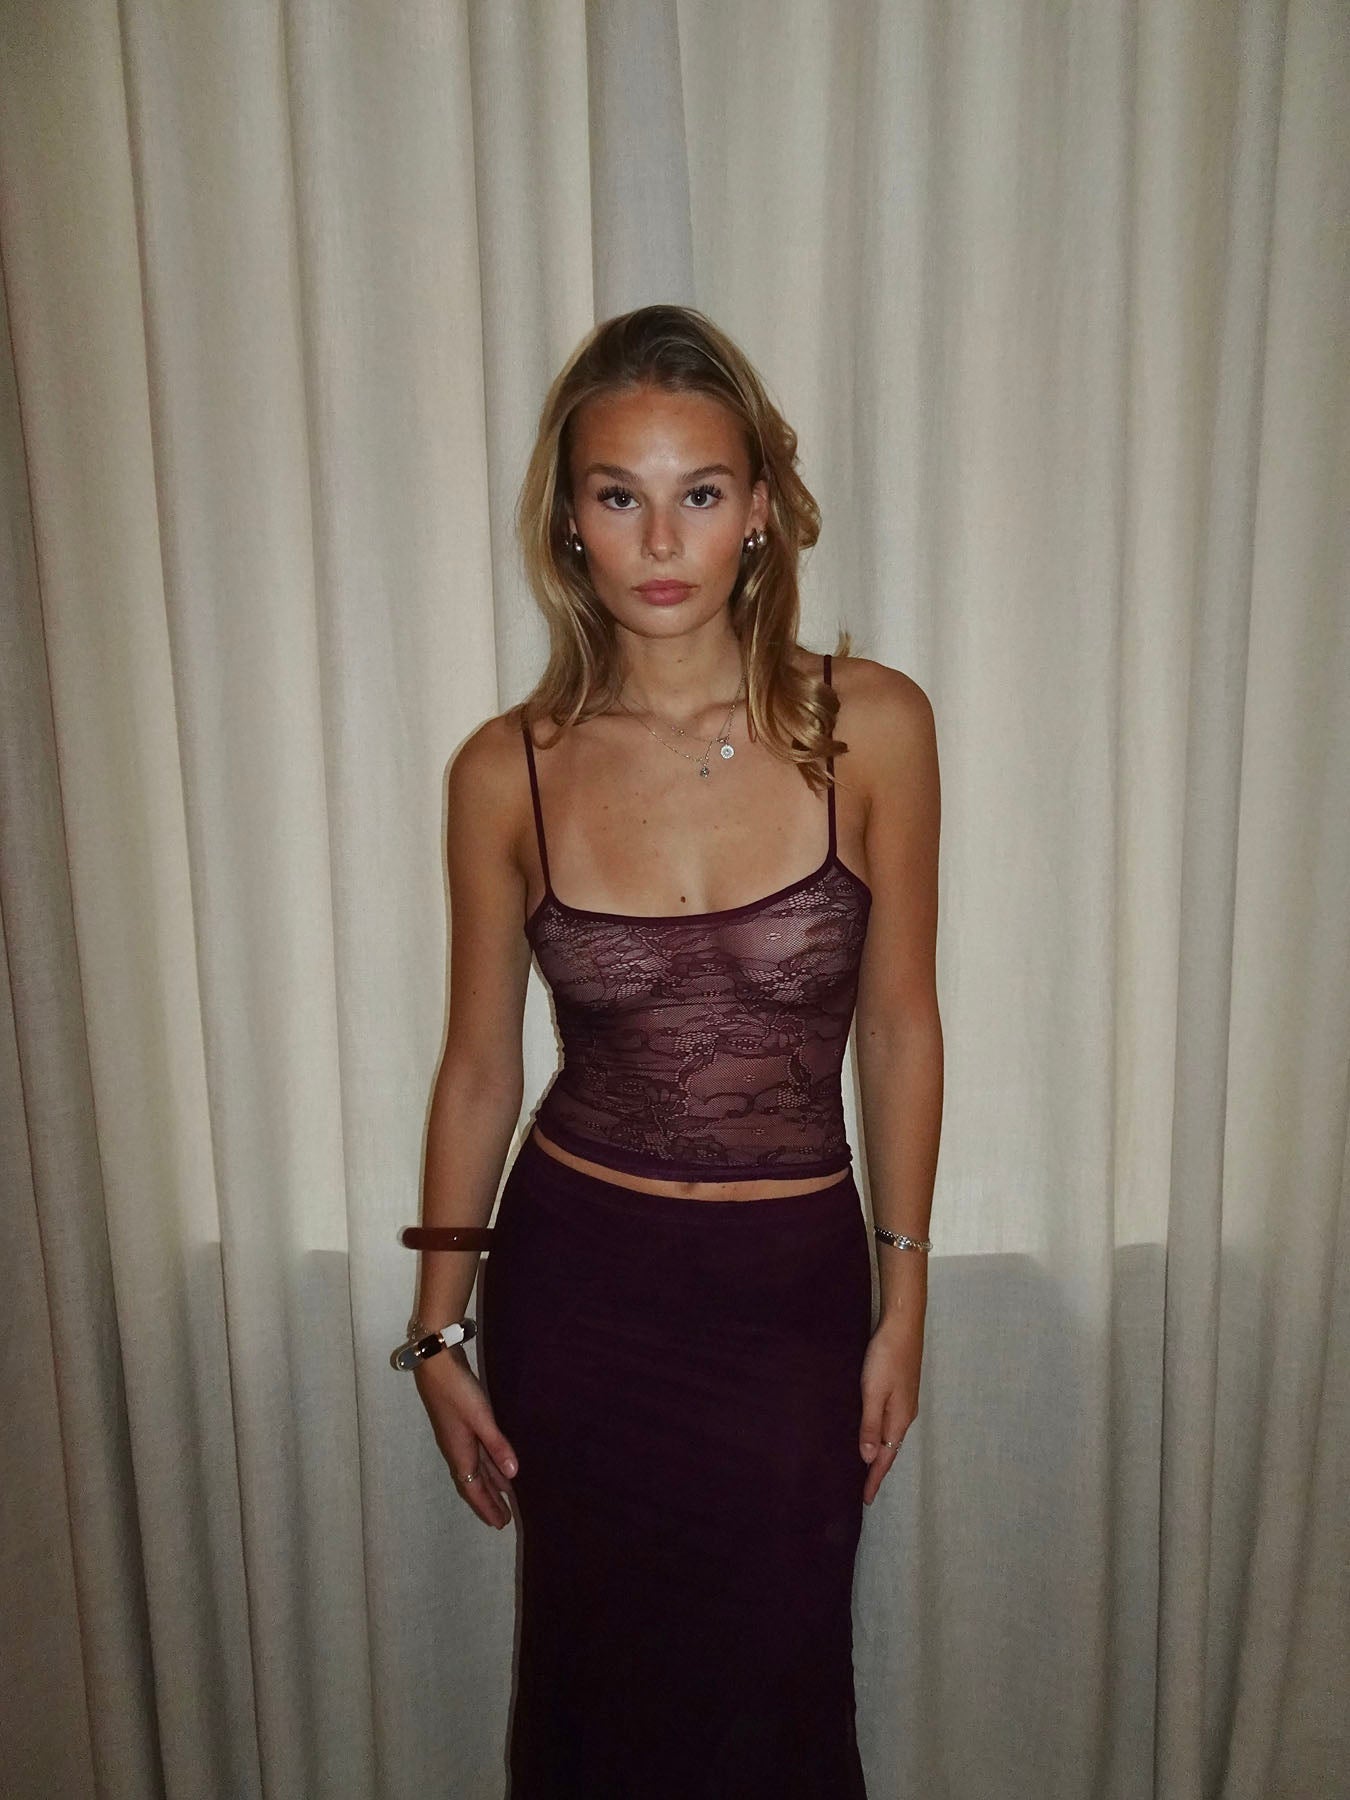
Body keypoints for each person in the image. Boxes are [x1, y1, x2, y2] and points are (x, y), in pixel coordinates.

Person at [407, 304, 943, 1798]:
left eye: (699, 492)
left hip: (788, 1298)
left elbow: (899, 1024)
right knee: (597, 1702)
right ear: (569, 520)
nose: (660, 539)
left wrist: (903, 1298)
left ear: (759, 506)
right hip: (579, 1296)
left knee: (777, 1701)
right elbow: (476, 1068)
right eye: (617, 494)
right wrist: (438, 1330)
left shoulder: (872, 726)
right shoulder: (504, 770)